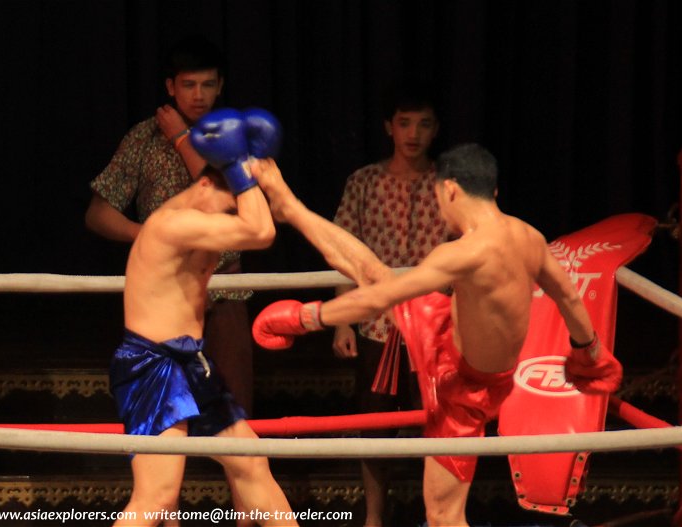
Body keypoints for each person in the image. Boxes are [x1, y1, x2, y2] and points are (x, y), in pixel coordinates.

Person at [248, 146, 622, 527]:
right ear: (493, 192)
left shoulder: (462, 254)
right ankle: (291, 208)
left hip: (462, 385)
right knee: (377, 274)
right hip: (461, 351)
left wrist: (307, 317)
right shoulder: (530, 237)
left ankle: (291, 208)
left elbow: (379, 300)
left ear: (451, 190)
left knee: (444, 516)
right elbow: (569, 297)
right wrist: (589, 352)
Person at [110, 109, 297, 526]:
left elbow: (267, 218)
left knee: (251, 464)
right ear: (209, 185)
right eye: (232, 202)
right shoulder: (175, 224)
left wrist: (250, 167)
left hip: (191, 362)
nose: (236, 214)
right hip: (153, 365)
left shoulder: (204, 207)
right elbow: (263, 231)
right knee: (156, 499)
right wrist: (238, 169)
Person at [85, 35, 255, 418]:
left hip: (223, 284)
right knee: (162, 413)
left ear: (220, 86)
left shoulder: (234, 136)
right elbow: (97, 213)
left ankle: (236, 477)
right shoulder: (143, 138)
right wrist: (146, 235)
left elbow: (227, 194)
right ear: (170, 87)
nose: (198, 95)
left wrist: (181, 137)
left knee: (236, 410)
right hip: (163, 291)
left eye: (207, 84)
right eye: (189, 85)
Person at [331, 85, 447, 526]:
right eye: (404, 123)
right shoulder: (364, 182)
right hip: (378, 325)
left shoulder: (448, 185)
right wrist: (342, 322)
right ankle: (374, 517)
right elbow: (342, 254)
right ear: (389, 127)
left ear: (435, 130)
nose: (413, 133)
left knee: (436, 425)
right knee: (374, 426)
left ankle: (435, 513)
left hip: (434, 327)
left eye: (423, 124)